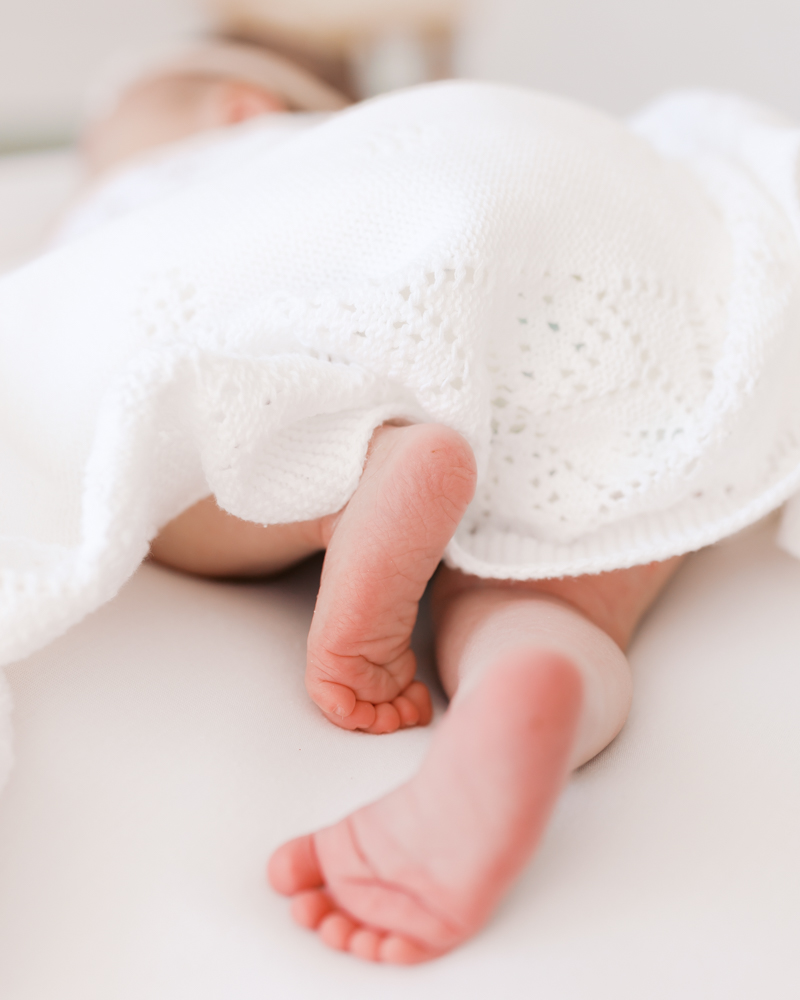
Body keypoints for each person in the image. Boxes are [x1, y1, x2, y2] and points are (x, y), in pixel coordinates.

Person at [4, 39, 800, 966]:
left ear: (239, 111)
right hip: (641, 267)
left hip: (426, 258)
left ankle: (346, 483)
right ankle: (526, 681)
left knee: (151, 439)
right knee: (561, 577)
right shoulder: (446, 120)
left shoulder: (182, 190)